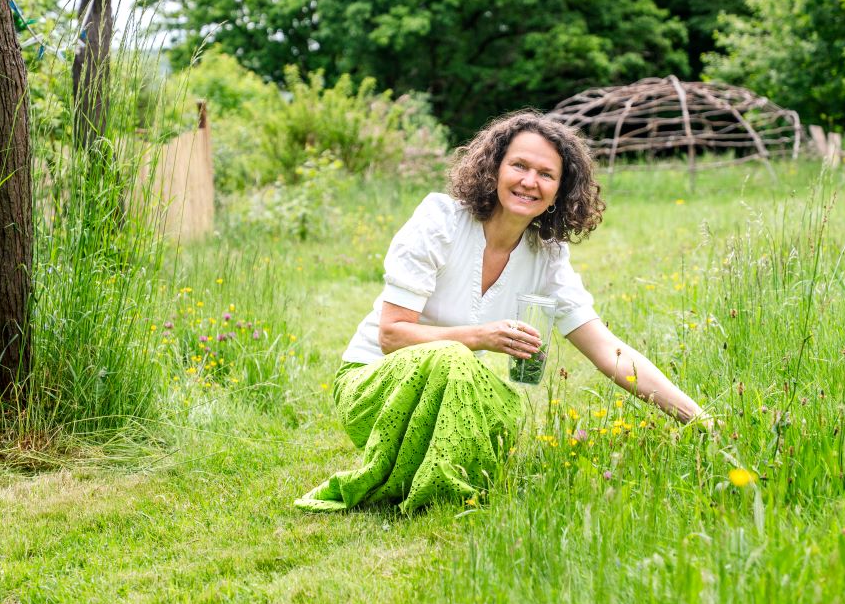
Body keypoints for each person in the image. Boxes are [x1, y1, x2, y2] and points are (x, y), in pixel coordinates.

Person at [295, 111, 709, 514]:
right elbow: (392, 335)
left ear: (560, 191)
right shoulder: (441, 220)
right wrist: (481, 336)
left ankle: (436, 478)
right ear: (494, 169)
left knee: (505, 401)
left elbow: (608, 350)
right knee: (454, 357)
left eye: (546, 175)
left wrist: (699, 419)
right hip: (373, 386)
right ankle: (433, 489)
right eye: (519, 166)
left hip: (444, 391)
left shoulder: (546, 256)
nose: (530, 181)